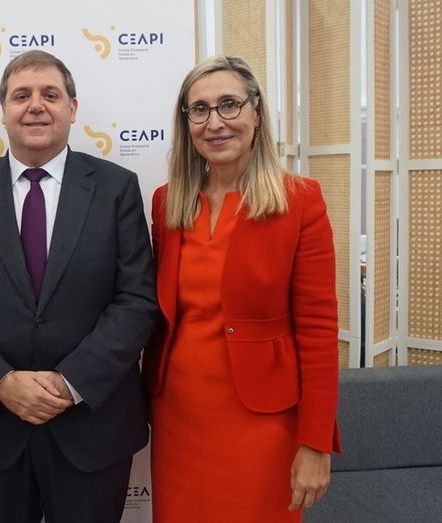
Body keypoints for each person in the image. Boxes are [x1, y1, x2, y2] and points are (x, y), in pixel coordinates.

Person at [0, 50, 157, 523]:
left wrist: (69, 382)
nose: (36, 105)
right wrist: (1, 383)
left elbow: (136, 300)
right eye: (22, 95)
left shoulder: (117, 189)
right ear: (4, 111)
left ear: (72, 109)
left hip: (92, 429)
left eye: (50, 95)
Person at [142, 55, 341, 521]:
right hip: (177, 415)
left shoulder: (300, 201)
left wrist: (316, 442)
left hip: (263, 420)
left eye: (229, 104)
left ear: (256, 112)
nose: (215, 122)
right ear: (186, 122)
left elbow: (318, 330)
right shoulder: (168, 203)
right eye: (200, 109)